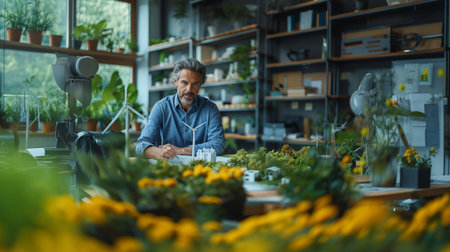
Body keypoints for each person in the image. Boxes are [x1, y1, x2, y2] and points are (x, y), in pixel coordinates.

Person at [136, 58, 225, 159]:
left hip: (200, 168)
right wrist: (157, 151)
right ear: (175, 82)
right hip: (168, 166)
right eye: (184, 83)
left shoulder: (210, 109)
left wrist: (180, 150)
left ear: (200, 85)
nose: (189, 89)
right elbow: (141, 145)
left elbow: (218, 144)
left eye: (195, 84)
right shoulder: (161, 107)